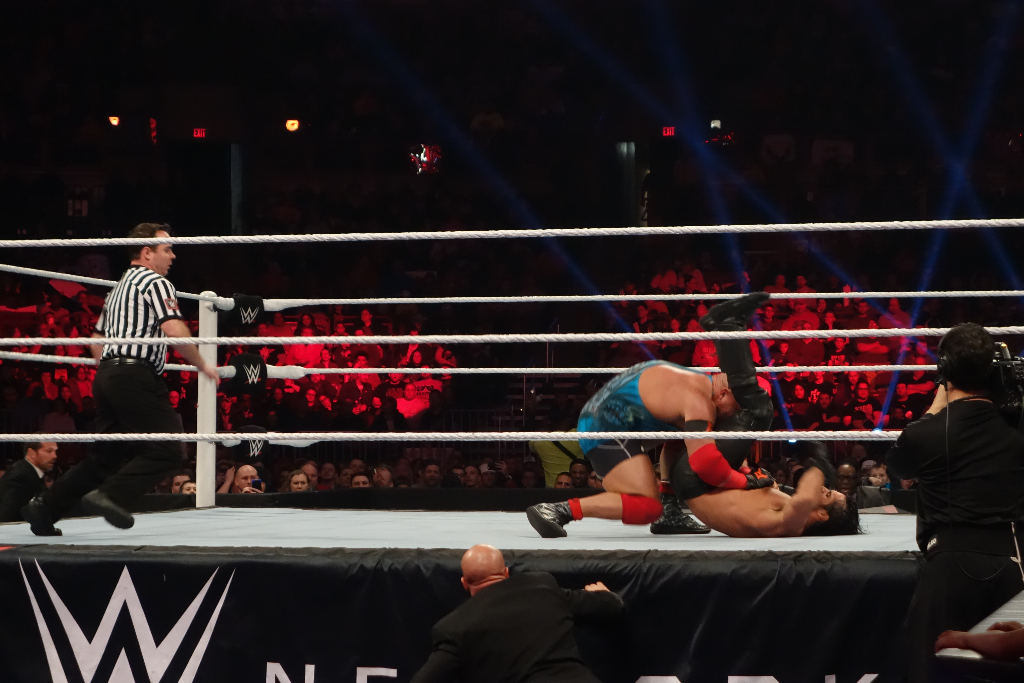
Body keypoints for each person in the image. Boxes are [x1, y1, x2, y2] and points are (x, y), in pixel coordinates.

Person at [22, 224, 220, 535]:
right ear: (147, 253)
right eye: (167, 249)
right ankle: (111, 496)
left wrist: (112, 371)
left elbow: (96, 340)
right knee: (169, 450)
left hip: (107, 375)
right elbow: (173, 329)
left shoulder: (117, 292)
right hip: (135, 374)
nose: (173, 256)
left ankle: (44, 507)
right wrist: (202, 364)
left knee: (104, 458)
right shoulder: (156, 282)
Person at [527, 294, 777, 538]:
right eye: (737, 407)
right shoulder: (699, 401)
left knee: (689, 437)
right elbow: (705, 463)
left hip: (616, 416)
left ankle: (669, 509)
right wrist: (745, 482)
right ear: (723, 393)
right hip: (604, 426)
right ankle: (558, 510)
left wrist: (745, 470)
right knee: (646, 506)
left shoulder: (701, 388)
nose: (736, 415)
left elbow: (692, 444)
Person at [886, 323, 1024, 683]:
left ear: (944, 370)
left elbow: (898, 466)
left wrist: (939, 399)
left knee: (930, 671)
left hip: (948, 567)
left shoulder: (926, 433)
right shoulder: (1016, 427)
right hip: (1012, 559)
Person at [410, 544, 623, 683]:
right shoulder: (542, 586)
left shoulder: (455, 627)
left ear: (464, 583)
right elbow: (613, 605)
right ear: (505, 572)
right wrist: (603, 595)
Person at [0, 442, 58, 523]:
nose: (54, 456)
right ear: (32, 453)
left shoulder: (29, 472)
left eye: (55, 451)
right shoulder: (21, 476)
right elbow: (6, 517)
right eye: (49, 451)